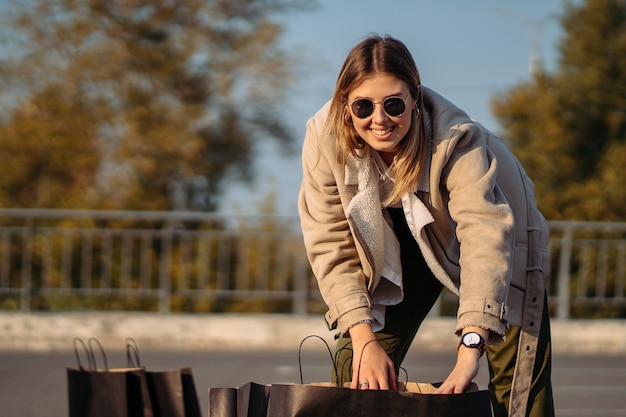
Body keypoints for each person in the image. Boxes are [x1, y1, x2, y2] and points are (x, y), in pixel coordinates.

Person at [298, 34, 554, 417]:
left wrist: (471, 345)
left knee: (517, 392)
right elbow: (329, 241)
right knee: (356, 368)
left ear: (415, 96)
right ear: (344, 105)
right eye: (364, 106)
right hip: (399, 243)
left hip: (502, 236)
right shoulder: (323, 140)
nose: (380, 119)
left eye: (394, 104)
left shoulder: (457, 140)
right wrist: (365, 338)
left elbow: (484, 236)